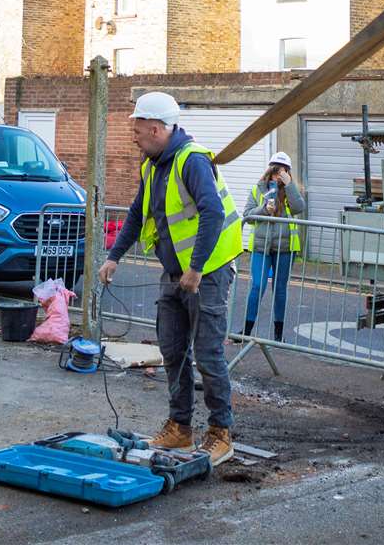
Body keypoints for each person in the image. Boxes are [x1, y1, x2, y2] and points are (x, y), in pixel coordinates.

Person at [98, 92, 242, 465]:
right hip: (176, 272)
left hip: (206, 272)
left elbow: (211, 212)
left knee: (209, 354)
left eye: (138, 130)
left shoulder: (191, 160)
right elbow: (135, 213)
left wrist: (195, 268)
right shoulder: (153, 164)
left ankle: (220, 433)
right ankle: (180, 428)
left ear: (157, 129)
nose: (133, 137)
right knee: (173, 349)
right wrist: (114, 256)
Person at [240, 152, 305, 343]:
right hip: (262, 246)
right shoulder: (258, 189)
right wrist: (263, 210)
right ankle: (245, 331)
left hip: (285, 248)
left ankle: (278, 335)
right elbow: (247, 215)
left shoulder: (292, 190)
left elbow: (299, 208)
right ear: (270, 170)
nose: (279, 174)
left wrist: (290, 185)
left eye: (283, 170)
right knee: (258, 285)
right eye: (276, 170)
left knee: (280, 289)